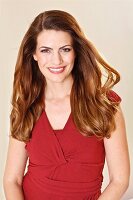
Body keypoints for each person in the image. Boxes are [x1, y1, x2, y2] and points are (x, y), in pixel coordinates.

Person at [3, 10, 130, 200]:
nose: (56, 60)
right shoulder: (26, 106)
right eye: (46, 50)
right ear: (34, 55)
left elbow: (120, 180)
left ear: (76, 51)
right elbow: (12, 180)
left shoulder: (104, 105)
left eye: (65, 49)